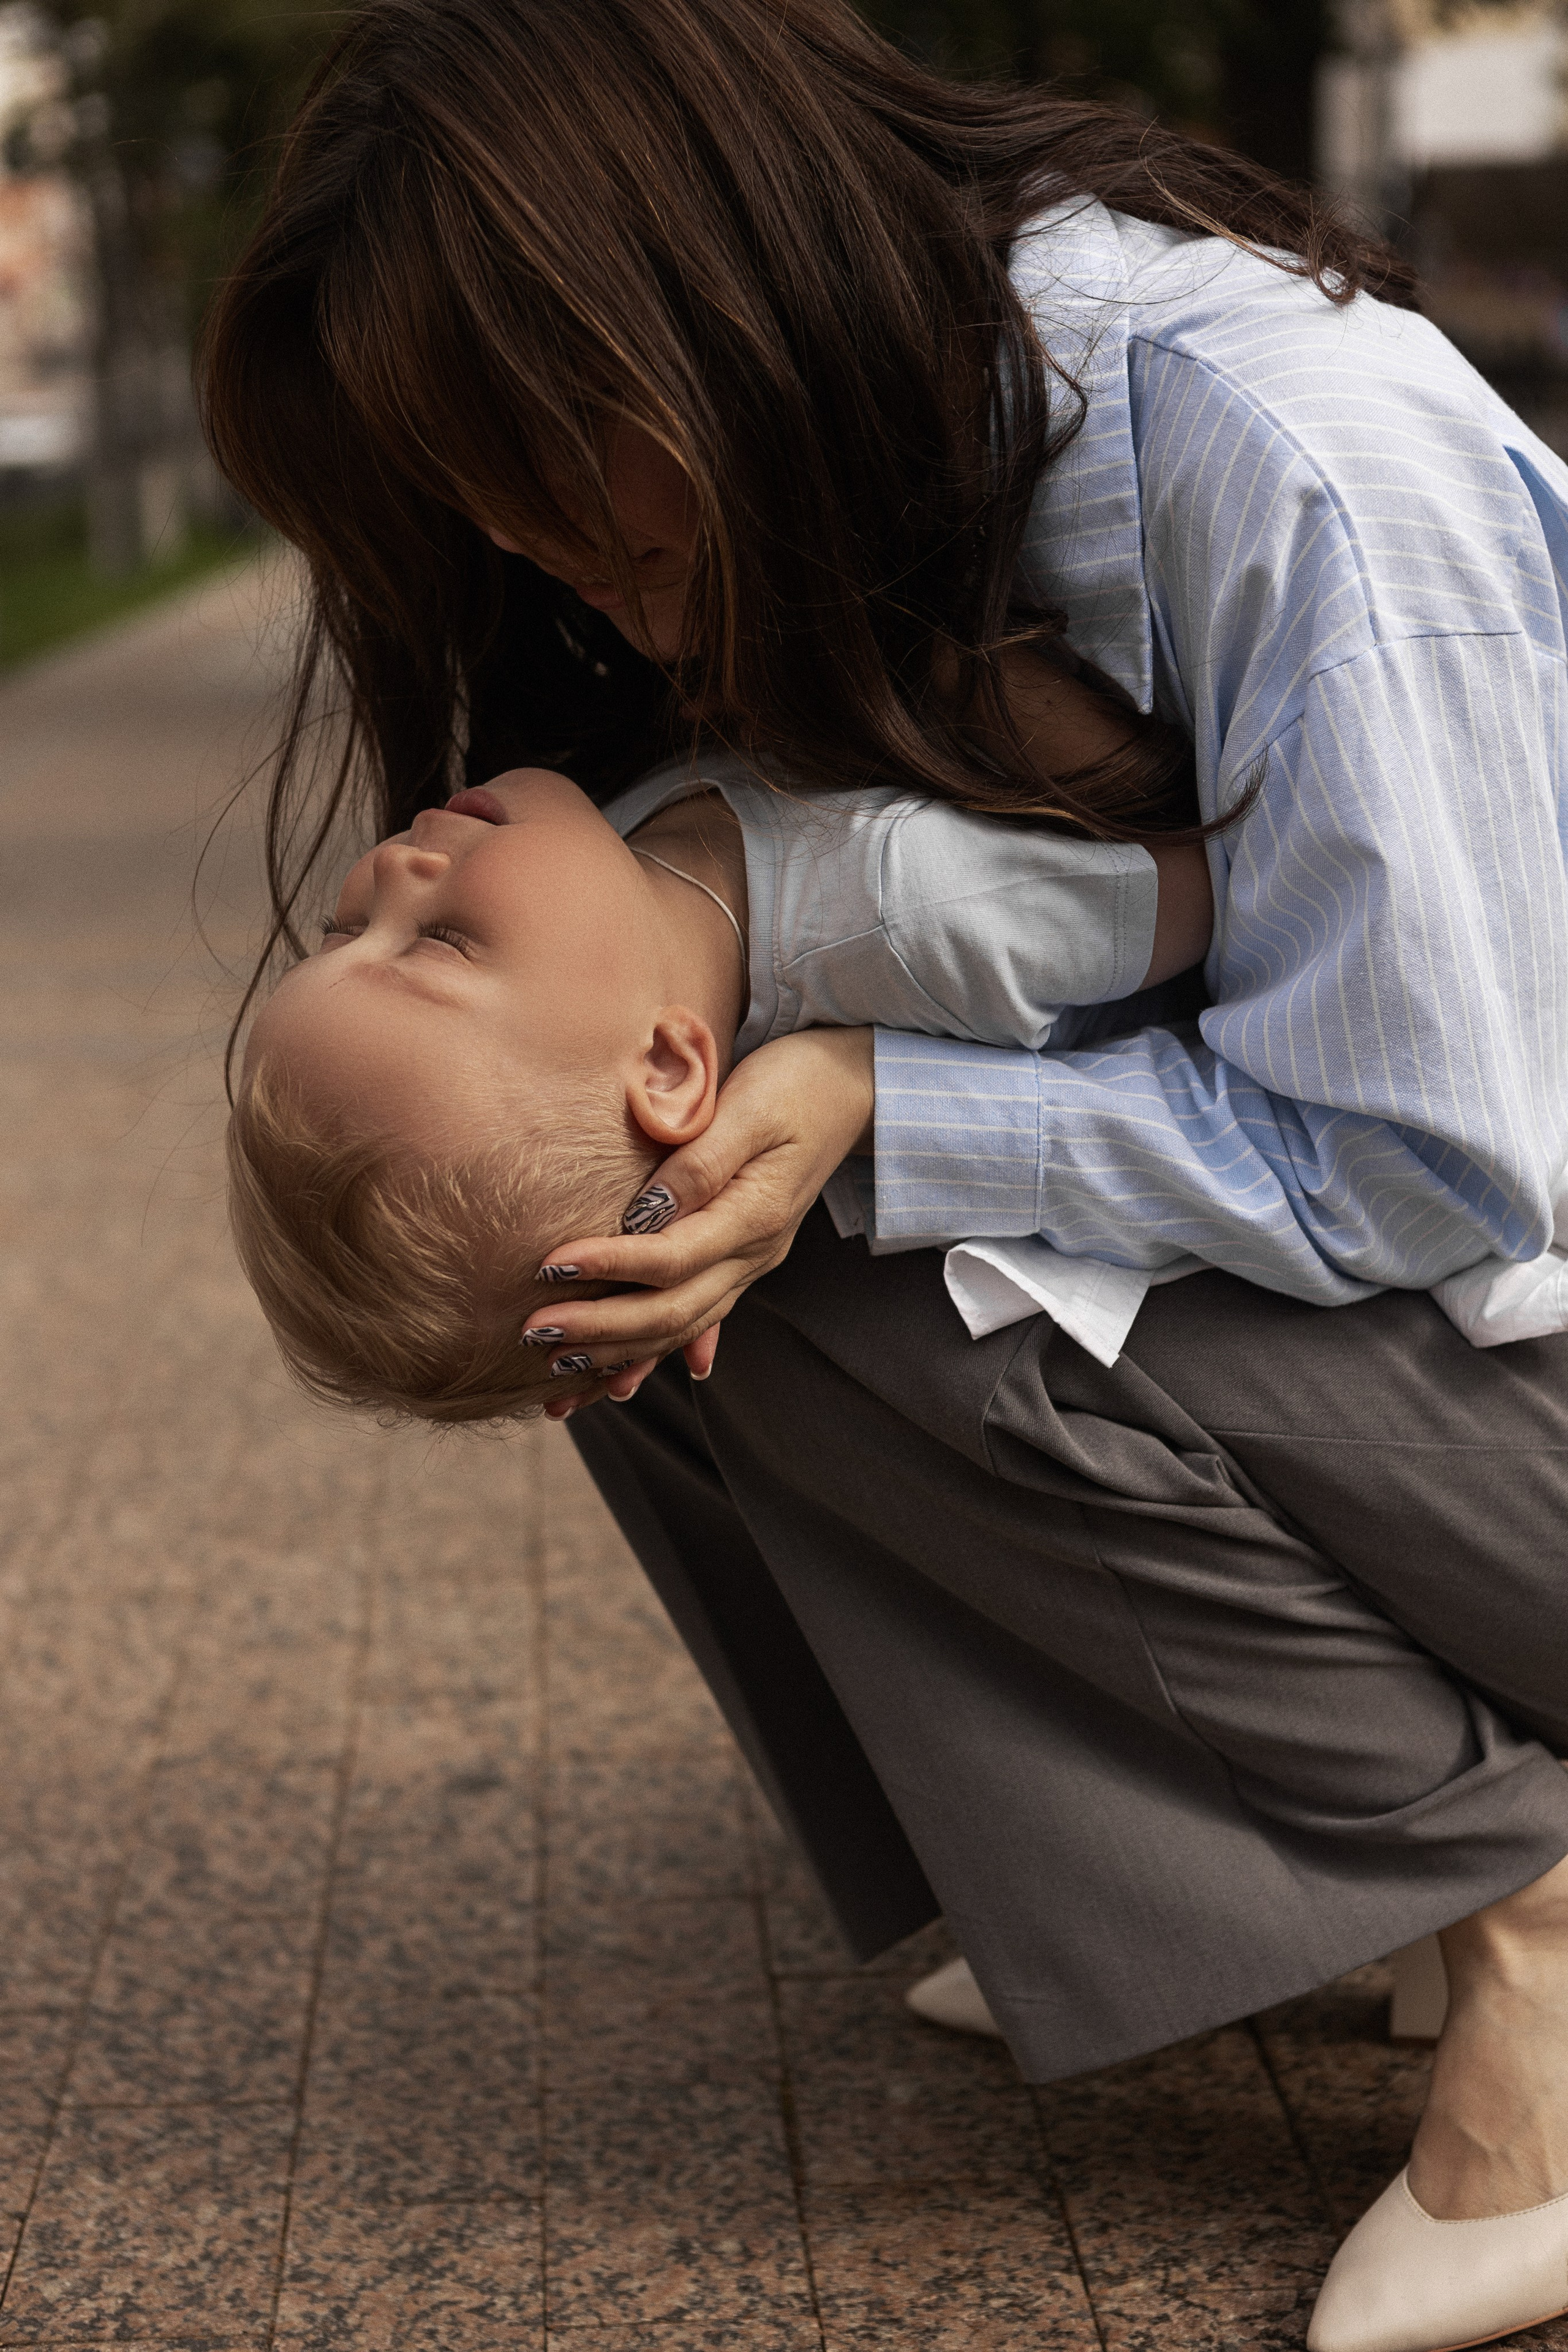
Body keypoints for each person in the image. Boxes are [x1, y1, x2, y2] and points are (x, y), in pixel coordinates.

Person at [198, 3, 1568, 2345]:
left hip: (1507, 1298)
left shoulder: (1283, 463)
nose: (563, 574)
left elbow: (1431, 1174)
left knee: (788, 1235)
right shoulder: (837, 487)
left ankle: (1526, 1931)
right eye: (497, 521)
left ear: (685, 307)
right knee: (592, 1251)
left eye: (559, 487)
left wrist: (871, 1103)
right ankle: (1214, 1855)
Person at [227, 744, 1214, 1418]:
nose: (390, 870)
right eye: (442, 940)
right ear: (668, 1067)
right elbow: (1221, 883)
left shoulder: (602, 856)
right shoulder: (927, 914)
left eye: (343, 931)